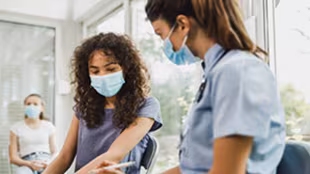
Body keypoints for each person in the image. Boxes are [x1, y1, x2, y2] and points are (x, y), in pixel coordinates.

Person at [97, 0, 286, 173]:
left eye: (161, 34)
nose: (165, 44)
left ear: (182, 25)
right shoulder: (215, 75)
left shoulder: (236, 73)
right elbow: (194, 168)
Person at [43, 33, 162, 174]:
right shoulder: (84, 107)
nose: (103, 76)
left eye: (111, 69)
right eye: (95, 71)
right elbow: (64, 157)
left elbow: (113, 156)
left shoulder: (146, 106)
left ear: (127, 69)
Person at [9, 94, 57, 174]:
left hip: (46, 162)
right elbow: (13, 158)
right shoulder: (16, 128)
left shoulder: (49, 126)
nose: (31, 106)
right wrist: (30, 164)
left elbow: (55, 152)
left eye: (35, 104)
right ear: (24, 107)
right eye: (28, 104)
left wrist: (49, 164)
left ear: (42, 108)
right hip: (26, 163)